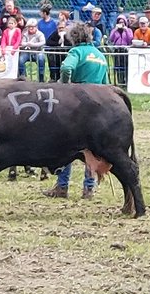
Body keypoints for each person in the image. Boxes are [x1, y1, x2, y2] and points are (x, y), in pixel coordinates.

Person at [44, 23, 109, 200]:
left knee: (67, 145)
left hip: (78, 104)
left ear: (74, 38)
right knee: (91, 148)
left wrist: (66, 86)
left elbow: (66, 68)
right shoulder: (99, 54)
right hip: (98, 105)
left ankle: (62, 186)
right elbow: (106, 84)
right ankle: (89, 188)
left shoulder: (76, 52)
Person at [107, 15, 133, 86]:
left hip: (125, 50)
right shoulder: (114, 30)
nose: (121, 24)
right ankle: (120, 81)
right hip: (117, 50)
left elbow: (130, 39)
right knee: (118, 66)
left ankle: (127, 82)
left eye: (122, 22)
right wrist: (115, 29)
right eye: (119, 22)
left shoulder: (129, 30)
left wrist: (126, 30)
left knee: (126, 66)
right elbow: (111, 39)